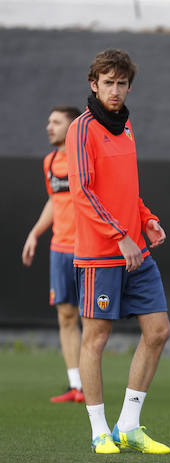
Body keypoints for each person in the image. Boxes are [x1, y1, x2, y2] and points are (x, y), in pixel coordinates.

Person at [66, 49, 170, 454]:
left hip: (135, 251)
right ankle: (98, 431)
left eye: (121, 83)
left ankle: (129, 425)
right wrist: (119, 235)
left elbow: (126, 189)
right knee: (96, 338)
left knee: (158, 331)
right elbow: (84, 191)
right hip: (101, 254)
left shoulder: (125, 126)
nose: (115, 90)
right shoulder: (82, 128)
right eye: (107, 83)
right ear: (94, 84)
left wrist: (146, 219)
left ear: (129, 87)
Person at [22, 105, 85, 403]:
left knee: (93, 319)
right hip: (59, 250)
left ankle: (90, 385)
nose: (49, 127)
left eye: (57, 122)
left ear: (72, 127)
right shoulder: (49, 162)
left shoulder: (85, 160)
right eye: (49, 121)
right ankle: (77, 387)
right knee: (66, 316)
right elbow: (54, 200)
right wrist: (35, 233)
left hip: (89, 251)